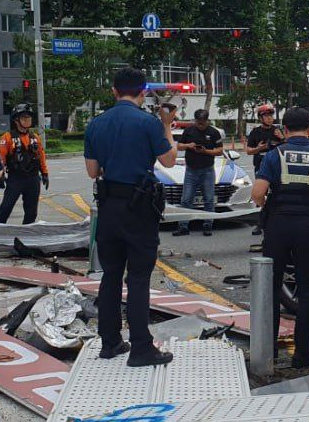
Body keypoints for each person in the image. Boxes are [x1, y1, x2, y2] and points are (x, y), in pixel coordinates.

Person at [84, 67, 177, 367]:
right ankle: (141, 348)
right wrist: (167, 126)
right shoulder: (148, 123)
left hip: (109, 207)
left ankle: (110, 343)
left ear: (113, 91)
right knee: (137, 278)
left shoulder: (96, 124)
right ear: (143, 92)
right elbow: (169, 160)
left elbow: (92, 172)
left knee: (110, 275)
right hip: (139, 209)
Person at [251, 107, 309, 368]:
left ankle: (269, 352)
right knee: (308, 291)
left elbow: (258, 192)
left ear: (285, 129)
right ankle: (303, 354)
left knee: (271, 290)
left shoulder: (274, 155)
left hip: (277, 228)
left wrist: (268, 201)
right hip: (308, 229)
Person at [172, 109, 223, 237]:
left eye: (203, 123)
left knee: (209, 199)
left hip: (207, 170)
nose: (200, 125)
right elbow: (178, 146)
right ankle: (183, 226)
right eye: (198, 123)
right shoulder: (189, 131)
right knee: (186, 199)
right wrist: (189, 146)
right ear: (195, 120)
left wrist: (206, 151)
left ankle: (207, 225)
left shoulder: (213, 132)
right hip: (191, 170)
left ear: (207, 121)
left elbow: (220, 150)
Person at [0, 103, 49, 224]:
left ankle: (26, 238)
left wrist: (45, 173)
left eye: (29, 118)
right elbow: (1, 158)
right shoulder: (7, 137)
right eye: (24, 118)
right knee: (5, 209)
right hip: (15, 179)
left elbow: (41, 156)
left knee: (32, 212)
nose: (27, 120)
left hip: (33, 179)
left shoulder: (35, 137)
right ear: (16, 120)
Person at [245, 104, 284, 235]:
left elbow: (288, 147)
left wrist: (282, 138)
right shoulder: (255, 132)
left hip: (278, 169)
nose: (269, 118)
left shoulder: (278, 131)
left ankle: (276, 221)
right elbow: (249, 151)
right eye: (266, 116)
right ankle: (260, 223)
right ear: (260, 118)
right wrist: (259, 148)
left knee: (277, 194)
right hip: (261, 168)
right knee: (261, 195)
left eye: (271, 115)